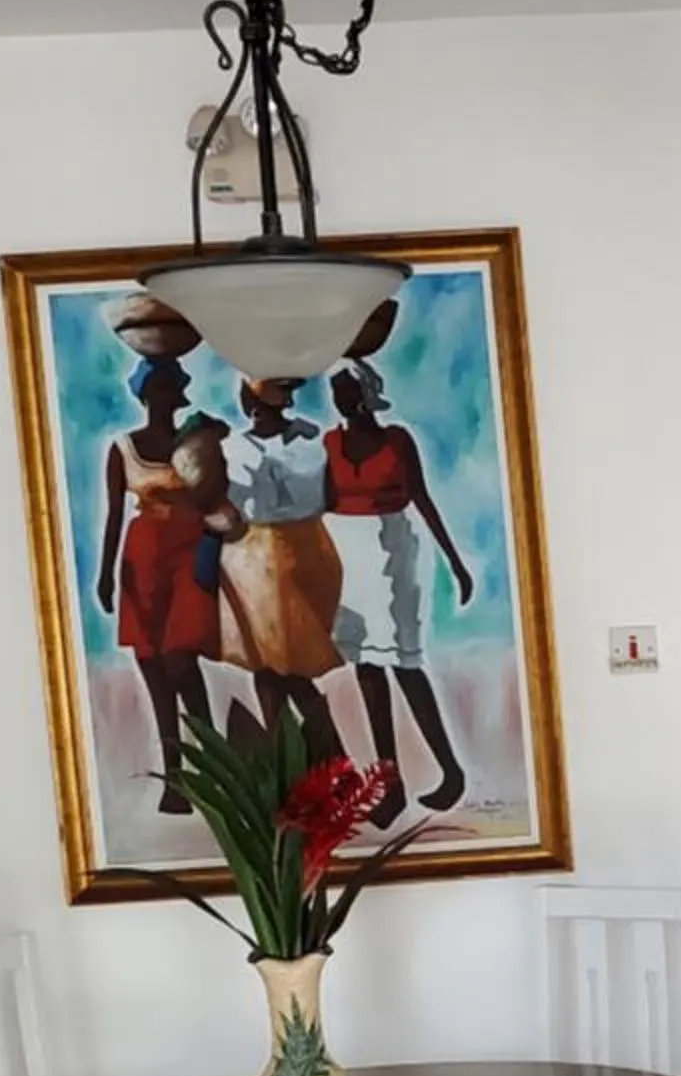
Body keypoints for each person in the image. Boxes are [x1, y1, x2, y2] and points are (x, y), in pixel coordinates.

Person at [93, 293, 241, 814]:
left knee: (181, 662)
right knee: (152, 667)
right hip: (141, 560)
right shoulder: (124, 447)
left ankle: (213, 764)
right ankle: (175, 778)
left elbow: (216, 494)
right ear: (142, 394)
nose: (162, 398)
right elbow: (114, 514)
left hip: (187, 557)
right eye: (153, 390)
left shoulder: (195, 441)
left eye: (168, 389)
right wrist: (106, 575)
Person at [323, 344, 476, 822]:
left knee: (405, 663)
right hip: (350, 551)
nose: (341, 400)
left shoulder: (397, 440)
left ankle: (451, 772)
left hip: (396, 549)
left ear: (365, 395)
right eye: (336, 393)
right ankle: (390, 785)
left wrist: (456, 562)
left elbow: (422, 499)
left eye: (347, 391)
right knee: (367, 667)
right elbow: (322, 502)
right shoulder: (329, 444)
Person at [219, 375, 346, 760]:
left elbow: (324, 495)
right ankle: (297, 762)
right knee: (269, 667)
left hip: (287, 553)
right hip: (256, 557)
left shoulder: (307, 441)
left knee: (286, 668)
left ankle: (329, 760)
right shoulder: (237, 446)